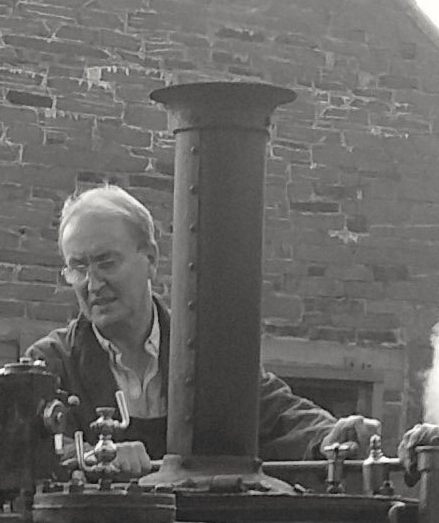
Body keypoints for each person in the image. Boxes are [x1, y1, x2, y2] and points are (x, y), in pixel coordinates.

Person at [25, 185, 380, 465]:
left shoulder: (208, 355)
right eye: (78, 267)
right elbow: (37, 458)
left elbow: (276, 414)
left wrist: (332, 435)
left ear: (150, 259)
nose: (92, 282)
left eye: (106, 262)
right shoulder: (48, 366)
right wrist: (93, 457)